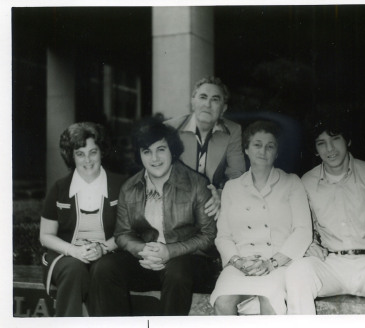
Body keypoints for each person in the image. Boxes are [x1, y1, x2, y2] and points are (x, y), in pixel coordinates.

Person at [285, 114, 365, 314]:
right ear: (316, 149)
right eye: (322, 143)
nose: (329, 149)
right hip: (331, 265)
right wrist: (309, 245)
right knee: (297, 272)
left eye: (335, 139)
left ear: (347, 140)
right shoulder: (307, 182)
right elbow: (303, 227)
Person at [89, 119, 217, 316]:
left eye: (161, 149)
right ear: (139, 155)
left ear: (172, 150)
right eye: (146, 151)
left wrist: (170, 251)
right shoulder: (130, 187)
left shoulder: (197, 184)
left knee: (177, 272)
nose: (154, 158)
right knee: (104, 268)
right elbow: (122, 234)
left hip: (188, 262)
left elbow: (208, 236)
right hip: (147, 262)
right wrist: (142, 250)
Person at [210, 121, 312, 315]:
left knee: (269, 301)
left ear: (277, 152)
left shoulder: (291, 183)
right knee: (222, 303)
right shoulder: (232, 187)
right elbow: (223, 236)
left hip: (278, 264)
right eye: (257, 145)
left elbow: (303, 231)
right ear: (246, 149)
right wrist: (238, 261)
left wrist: (272, 263)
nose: (263, 151)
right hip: (241, 264)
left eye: (270, 146)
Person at [39, 122, 125, 316]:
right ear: (72, 156)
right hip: (67, 256)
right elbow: (45, 236)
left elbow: (128, 231)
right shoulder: (60, 188)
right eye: (80, 154)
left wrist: (102, 248)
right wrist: (74, 251)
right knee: (74, 269)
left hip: (109, 253)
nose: (87, 160)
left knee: (104, 270)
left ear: (101, 152)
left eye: (93, 152)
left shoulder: (121, 185)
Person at [165, 76, 246, 218]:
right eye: (203, 97)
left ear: (223, 108)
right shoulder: (170, 128)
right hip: (175, 205)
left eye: (215, 99)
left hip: (212, 205)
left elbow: (237, 175)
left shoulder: (232, 131)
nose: (208, 104)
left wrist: (222, 194)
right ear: (193, 101)